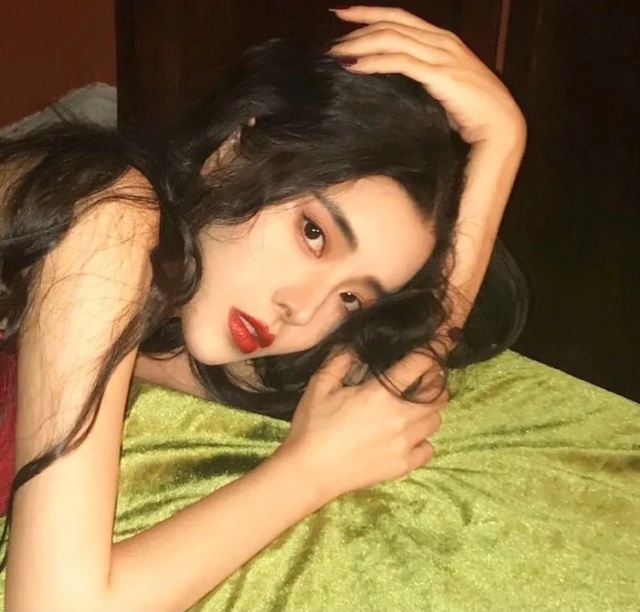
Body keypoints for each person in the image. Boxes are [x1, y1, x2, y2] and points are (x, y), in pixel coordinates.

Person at [0, 6, 526, 611]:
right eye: (313, 233)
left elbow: (400, 377)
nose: (301, 310)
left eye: (350, 297)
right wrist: (308, 471)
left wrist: (501, 145)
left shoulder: (183, 317)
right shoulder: (110, 215)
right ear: (232, 150)